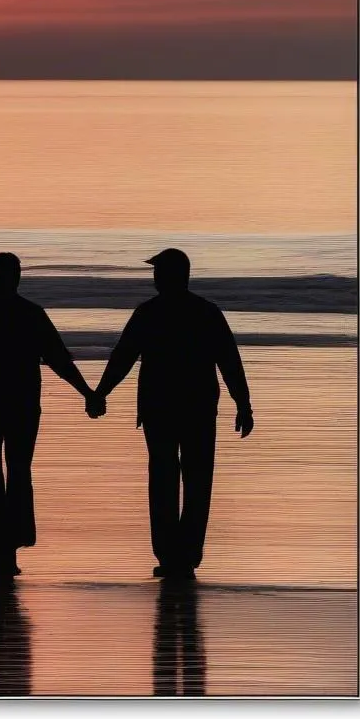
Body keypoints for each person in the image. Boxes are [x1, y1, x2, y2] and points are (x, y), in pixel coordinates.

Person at [88, 248, 255, 579]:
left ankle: (169, 555)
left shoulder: (149, 313)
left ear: (171, 276)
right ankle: (185, 555)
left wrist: (100, 393)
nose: (154, 277)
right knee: (196, 479)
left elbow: (123, 357)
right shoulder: (206, 312)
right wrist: (243, 404)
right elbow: (229, 362)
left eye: (158, 272)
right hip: (197, 408)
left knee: (164, 478)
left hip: (161, 408)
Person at [0, 252, 101, 582]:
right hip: (21, 404)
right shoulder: (31, 314)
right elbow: (58, 360)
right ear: (18, 277)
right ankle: (8, 545)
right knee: (18, 470)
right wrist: (88, 393)